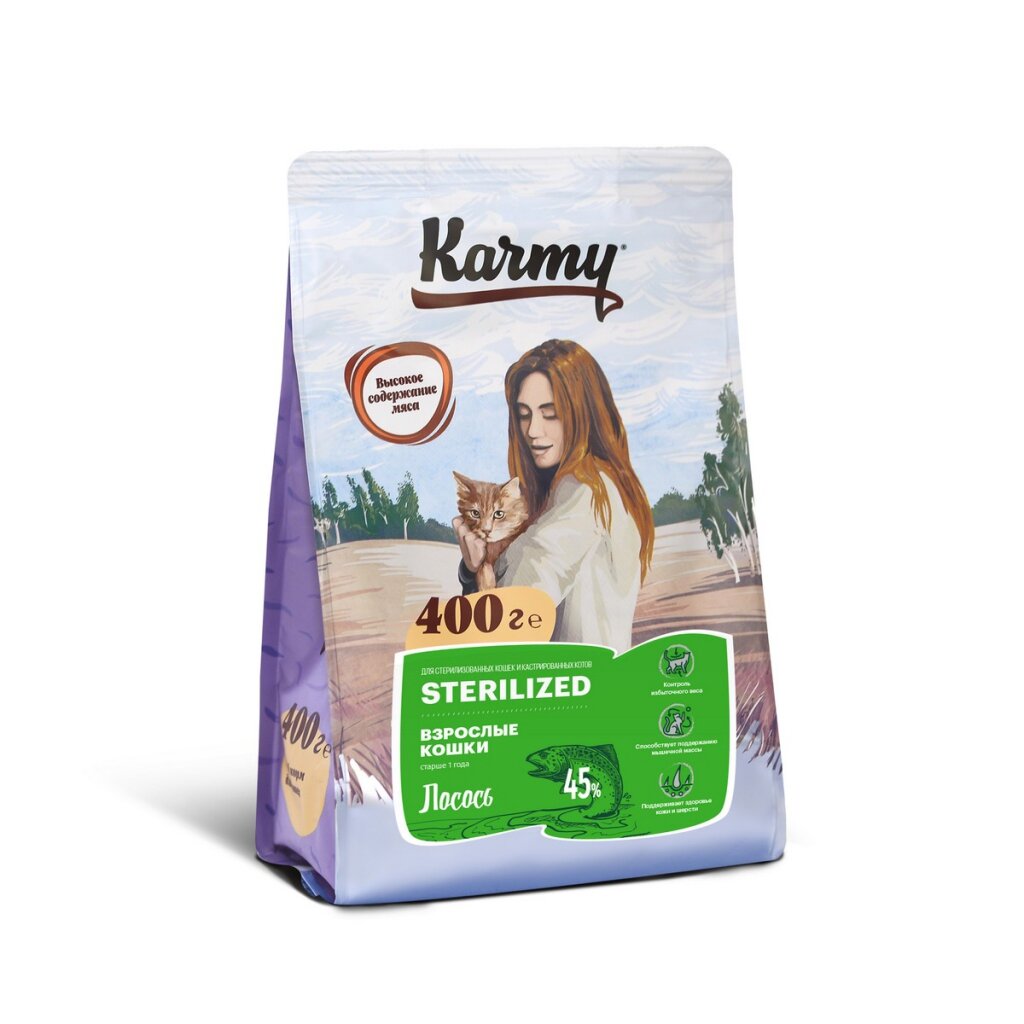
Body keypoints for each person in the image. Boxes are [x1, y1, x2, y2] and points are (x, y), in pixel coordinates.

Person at [453, 339, 654, 652]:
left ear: (583, 414)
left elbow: (512, 613)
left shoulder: (584, 490)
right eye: (524, 414)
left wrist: (474, 571)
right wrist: (472, 570)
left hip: (580, 680)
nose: (533, 430)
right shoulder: (595, 486)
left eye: (550, 414)